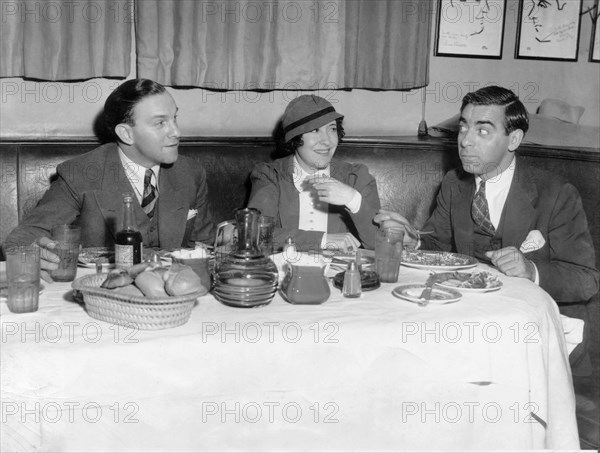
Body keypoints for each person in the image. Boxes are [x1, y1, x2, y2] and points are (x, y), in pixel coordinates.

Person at [375, 85, 599, 304]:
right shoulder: (454, 183)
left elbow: (586, 280)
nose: (465, 141)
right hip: (468, 308)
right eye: (463, 128)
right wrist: (414, 241)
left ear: (514, 139)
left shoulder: (556, 193)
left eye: (482, 131)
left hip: (525, 313)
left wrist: (531, 271)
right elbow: (438, 245)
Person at [3, 79, 214, 280]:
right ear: (126, 134)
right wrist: (33, 254)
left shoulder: (191, 173)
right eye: (160, 123)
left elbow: (205, 245)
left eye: (174, 118)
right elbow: (20, 239)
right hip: (101, 292)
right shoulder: (80, 173)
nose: (176, 132)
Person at [247, 95, 381, 252]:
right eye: (314, 130)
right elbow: (257, 235)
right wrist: (322, 240)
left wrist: (353, 199)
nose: (327, 141)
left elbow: (380, 244)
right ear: (295, 138)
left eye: (332, 129)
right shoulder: (270, 175)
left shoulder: (356, 177)